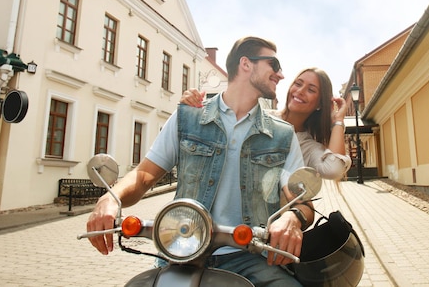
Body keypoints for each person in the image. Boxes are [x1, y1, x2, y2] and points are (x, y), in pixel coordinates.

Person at [86, 36, 313, 287]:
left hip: (251, 257)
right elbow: (143, 176)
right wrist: (110, 199)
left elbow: (302, 203)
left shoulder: (282, 134)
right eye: (274, 64)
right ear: (246, 64)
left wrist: (292, 217)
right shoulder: (187, 117)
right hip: (182, 253)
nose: (281, 75)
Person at [182, 67, 351, 180]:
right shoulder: (260, 117)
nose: (299, 91)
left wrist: (338, 121)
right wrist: (193, 104)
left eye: (311, 89)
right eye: (298, 84)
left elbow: (334, 170)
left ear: (320, 103)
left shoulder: (308, 146)